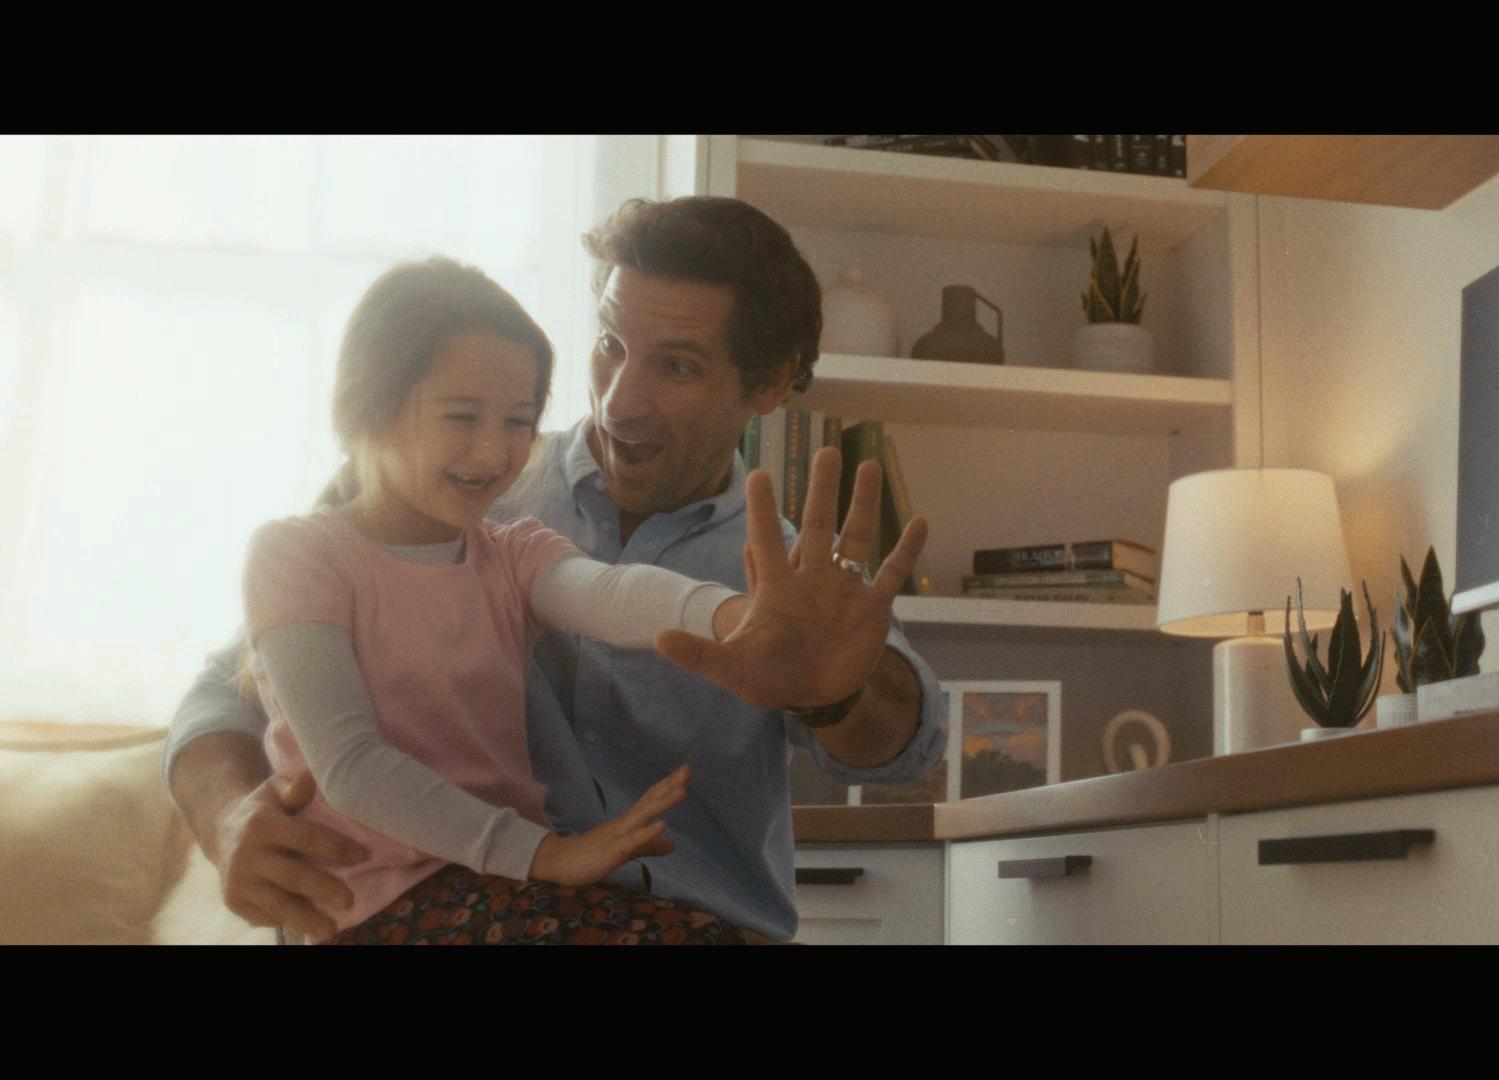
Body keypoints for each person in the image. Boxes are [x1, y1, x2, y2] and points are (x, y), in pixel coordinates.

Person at [166, 196, 946, 943]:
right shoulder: (443, 488)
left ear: (770, 383)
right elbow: (232, 684)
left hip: (698, 922)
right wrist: (226, 813)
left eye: (676, 367)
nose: (618, 403)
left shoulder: (790, 582)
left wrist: (834, 691)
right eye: (609, 346)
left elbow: (905, 744)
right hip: (443, 904)